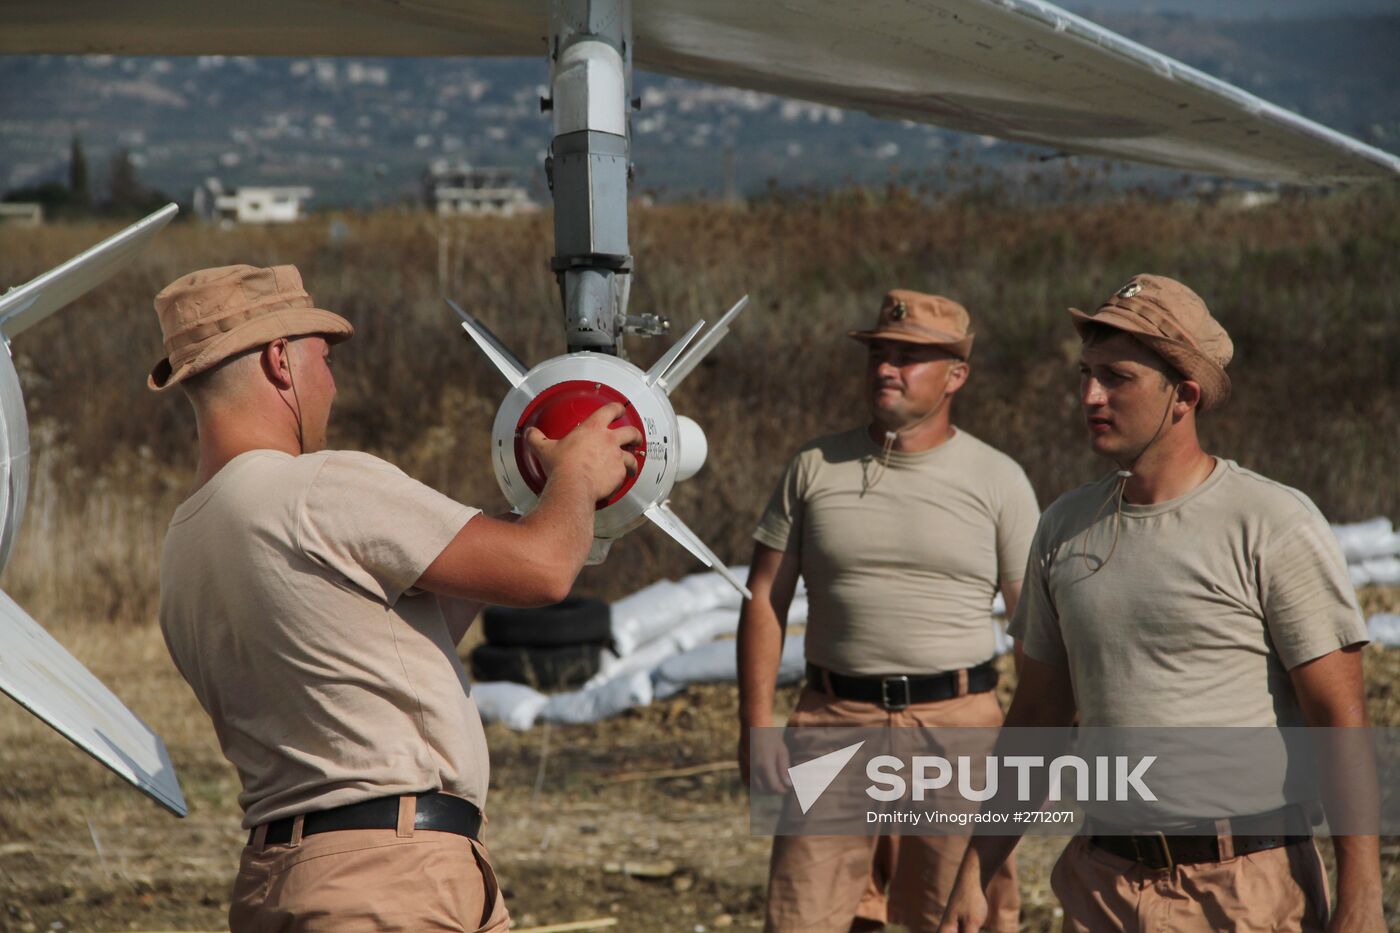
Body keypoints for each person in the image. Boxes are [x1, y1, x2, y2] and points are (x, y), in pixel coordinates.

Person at [148, 264, 639, 932]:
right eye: (323, 360)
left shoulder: (182, 545)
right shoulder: (320, 487)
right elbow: (544, 570)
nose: (333, 383)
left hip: (280, 879)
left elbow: (395, 632)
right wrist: (578, 474)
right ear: (278, 362)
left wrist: (542, 502)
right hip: (390, 877)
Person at [940, 274, 1383, 932]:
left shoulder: (1270, 524)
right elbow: (1035, 718)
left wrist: (1361, 899)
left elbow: (1338, 718)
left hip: (1244, 889)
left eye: (1117, 377)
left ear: (1185, 395)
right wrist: (977, 870)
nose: (1090, 395)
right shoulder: (1064, 528)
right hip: (1102, 888)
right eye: (1086, 374)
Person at [737, 290, 1038, 932]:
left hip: (958, 730)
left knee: (960, 914)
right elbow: (764, 596)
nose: (884, 369)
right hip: (831, 722)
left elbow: (1032, 625)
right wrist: (756, 724)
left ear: (956, 375)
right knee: (803, 916)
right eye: (878, 354)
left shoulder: (999, 479)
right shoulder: (813, 466)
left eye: (908, 358)